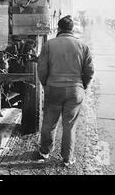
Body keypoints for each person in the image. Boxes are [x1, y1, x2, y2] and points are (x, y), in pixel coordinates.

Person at [35, 15, 94, 166]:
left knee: (49, 122)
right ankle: (67, 158)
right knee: (69, 126)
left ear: (59, 28)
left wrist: (46, 84)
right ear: (72, 29)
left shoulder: (49, 45)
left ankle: (45, 151)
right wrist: (82, 86)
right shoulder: (83, 46)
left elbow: (41, 69)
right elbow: (89, 71)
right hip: (75, 91)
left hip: (54, 89)